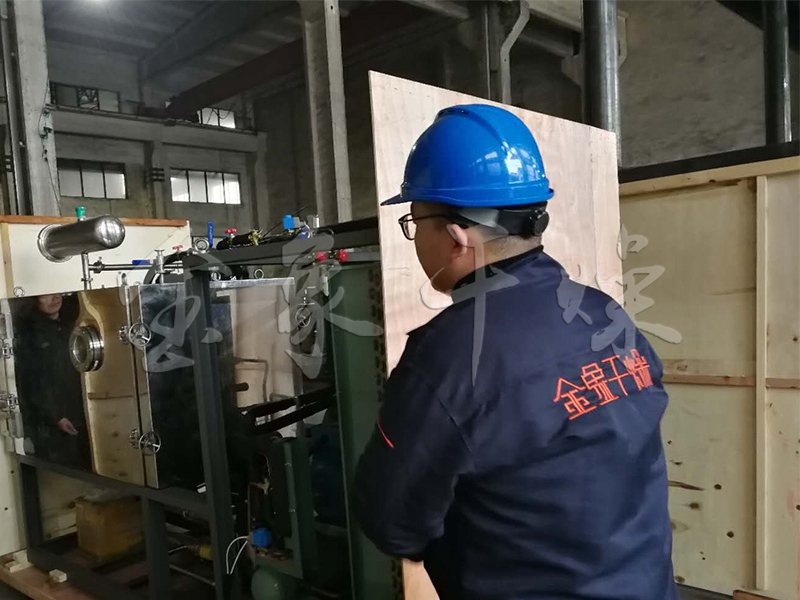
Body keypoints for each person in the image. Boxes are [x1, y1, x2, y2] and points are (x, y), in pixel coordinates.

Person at [354, 105, 677, 600]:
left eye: (414, 221)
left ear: (456, 236)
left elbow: (392, 523)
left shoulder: (447, 358)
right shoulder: (605, 314)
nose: (415, 238)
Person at [15, 293, 90, 469]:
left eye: (57, 293)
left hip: (81, 411)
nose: (55, 298)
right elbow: (32, 381)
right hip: (50, 423)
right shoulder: (29, 332)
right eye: (46, 295)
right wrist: (56, 415)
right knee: (63, 471)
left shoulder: (73, 321)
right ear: (34, 299)